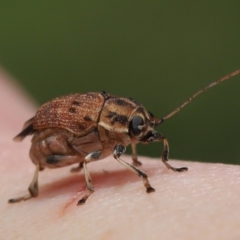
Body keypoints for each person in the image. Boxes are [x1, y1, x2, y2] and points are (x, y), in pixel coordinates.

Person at [1, 68, 240, 239]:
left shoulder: (118, 127)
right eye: (139, 125)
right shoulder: (103, 124)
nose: (145, 131)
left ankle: (156, 164)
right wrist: (143, 177)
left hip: (81, 139)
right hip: (55, 141)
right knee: (76, 160)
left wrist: (161, 162)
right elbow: (110, 152)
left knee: (145, 140)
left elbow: (131, 136)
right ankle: (39, 193)